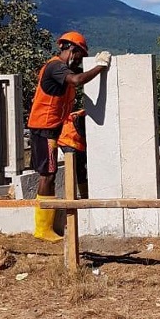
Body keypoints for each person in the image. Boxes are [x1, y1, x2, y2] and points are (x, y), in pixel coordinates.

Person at [27, 31, 111, 241]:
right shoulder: (56, 67)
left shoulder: (60, 67)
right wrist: (100, 66)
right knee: (48, 175)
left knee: (49, 174)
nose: (80, 61)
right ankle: (42, 228)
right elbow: (77, 80)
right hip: (44, 129)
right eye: (81, 56)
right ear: (72, 50)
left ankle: (44, 225)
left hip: (50, 128)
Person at [58, 109, 88, 199]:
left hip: (71, 141)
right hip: (69, 141)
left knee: (80, 170)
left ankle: (83, 195)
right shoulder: (80, 117)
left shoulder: (80, 115)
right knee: (77, 169)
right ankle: (75, 196)